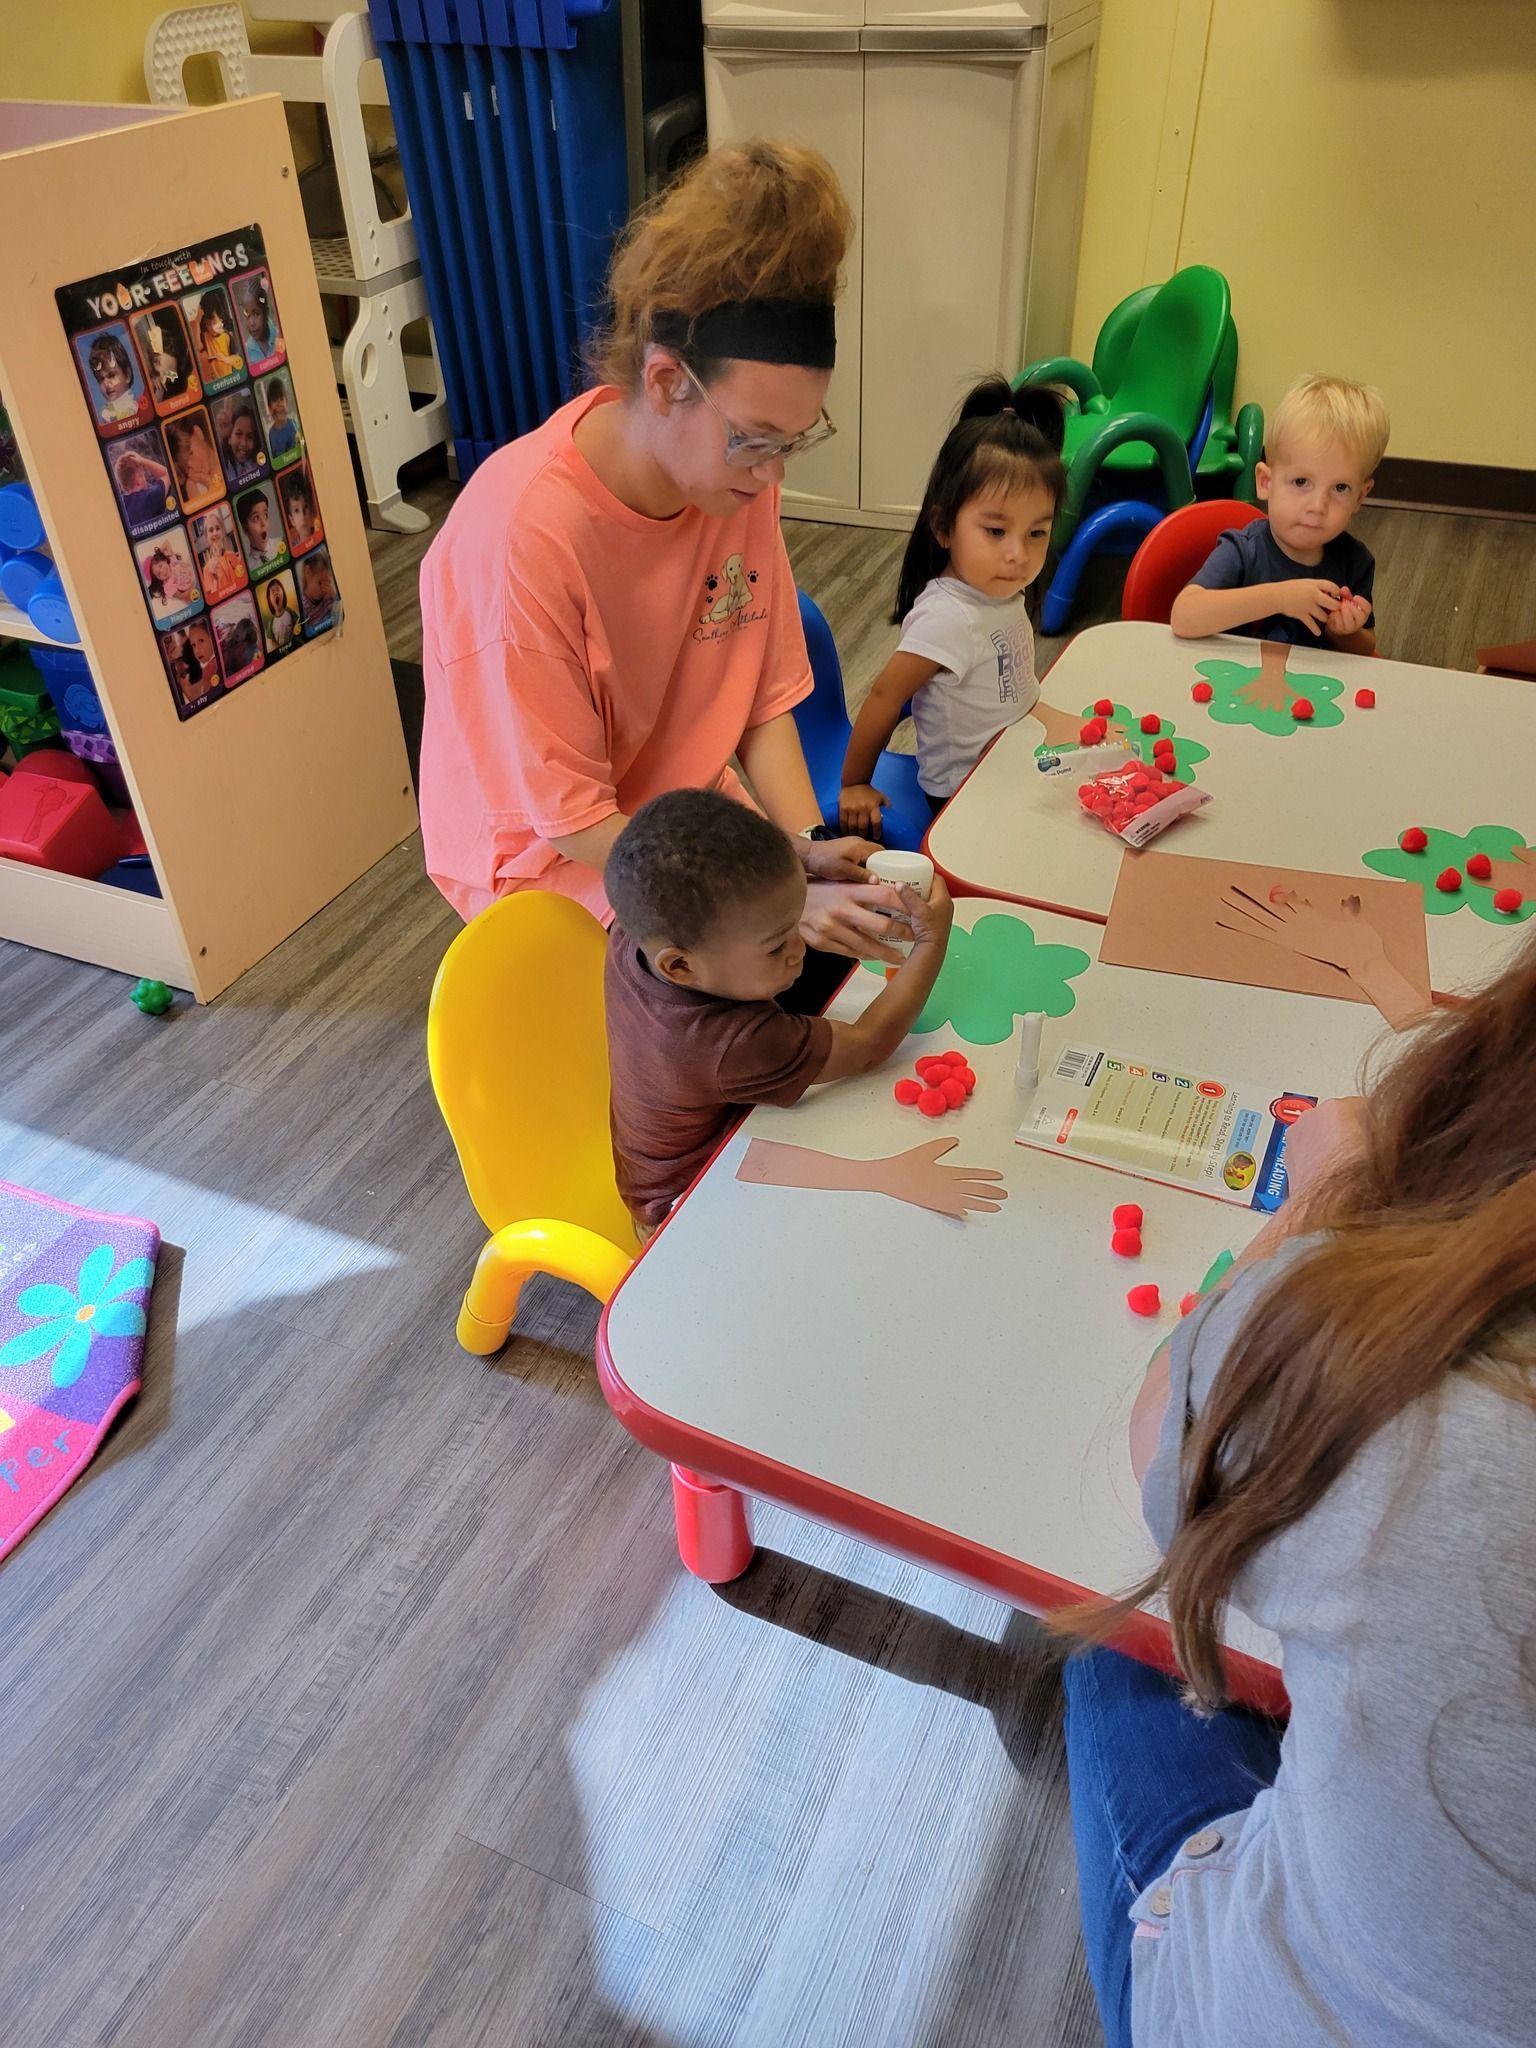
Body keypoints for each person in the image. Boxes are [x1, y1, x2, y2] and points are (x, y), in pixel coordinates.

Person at [1059, 949, 1536, 2048]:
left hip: (1256, 2008)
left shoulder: (1442, 1412)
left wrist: (1325, 1194)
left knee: (1110, 1630)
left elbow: (1164, 1446)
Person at [418, 139, 912, 994]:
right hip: (552, 858)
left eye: (794, 441)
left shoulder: (732, 481)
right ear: (665, 381)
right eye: (756, 439)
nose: (773, 475)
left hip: (680, 809)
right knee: (732, 1014)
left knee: (827, 964)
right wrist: (775, 897)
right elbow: (574, 822)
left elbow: (758, 699)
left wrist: (802, 850)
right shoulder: (528, 535)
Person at [603, 789, 953, 1233]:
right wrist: (932, 941)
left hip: (671, 1158)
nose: (799, 950)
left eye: (796, 923)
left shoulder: (638, 926)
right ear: (680, 966)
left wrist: (809, 853)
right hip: (688, 1207)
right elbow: (868, 1046)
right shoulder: (732, 1046)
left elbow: (724, 841)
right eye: (775, 946)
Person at [838, 381, 1066, 834]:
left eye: (1036, 533)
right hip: (963, 791)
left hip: (1011, 756)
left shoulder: (998, 588)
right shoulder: (948, 618)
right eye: (996, 531)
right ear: (944, 528)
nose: (1019, 554)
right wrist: (855, 783)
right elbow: (885, 696)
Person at [1170, 375, 1388, 653]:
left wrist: (1344, 632)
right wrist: (1281, 598)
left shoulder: (1354, 560)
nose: (1317, 506)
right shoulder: (1243, 551)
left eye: (1340, 488)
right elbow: (1184, 617)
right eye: (1301, 482)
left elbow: (1365, 648)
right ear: (1265, 482)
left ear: (1360, 496)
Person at [86, 332, 140, 426]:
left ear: (127, 374)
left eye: (111, 375)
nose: (106, 383)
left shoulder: (133, 409)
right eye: (100, 379)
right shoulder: (106, 413)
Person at [166, 414, 220, 505]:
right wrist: (211, 486)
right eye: (187, 466)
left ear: (198, 433)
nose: (194, 466)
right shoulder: (193, 486)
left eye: (191, 453)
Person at [193, 510, 245, 602]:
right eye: (211, 530)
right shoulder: (207, 570)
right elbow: (212, 599)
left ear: (222, 532)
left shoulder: (232, 555)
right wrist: (215, 580)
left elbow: (243, 580)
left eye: (217, 528)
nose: (215, 533)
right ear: (206, 537)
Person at [235, 488, 283, 571]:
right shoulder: (247, 568)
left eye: (265, 515)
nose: (263, 523)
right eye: (256, 518)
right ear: (245, 528)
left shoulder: (282, 545)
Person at [264, 378, 298, 459]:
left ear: (287, 402)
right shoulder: (271, 435)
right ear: (269, 408)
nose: (279, 404)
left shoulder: (294, 426)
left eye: (281, 399)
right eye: (275, 400)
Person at [264, 576, 298, 649]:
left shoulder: (290, 612)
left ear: (283, 593)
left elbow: (298, 625)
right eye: (273, 591)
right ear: (269, 600)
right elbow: (272, 642)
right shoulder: (271, 622)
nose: (276, 593)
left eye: (278, 589)